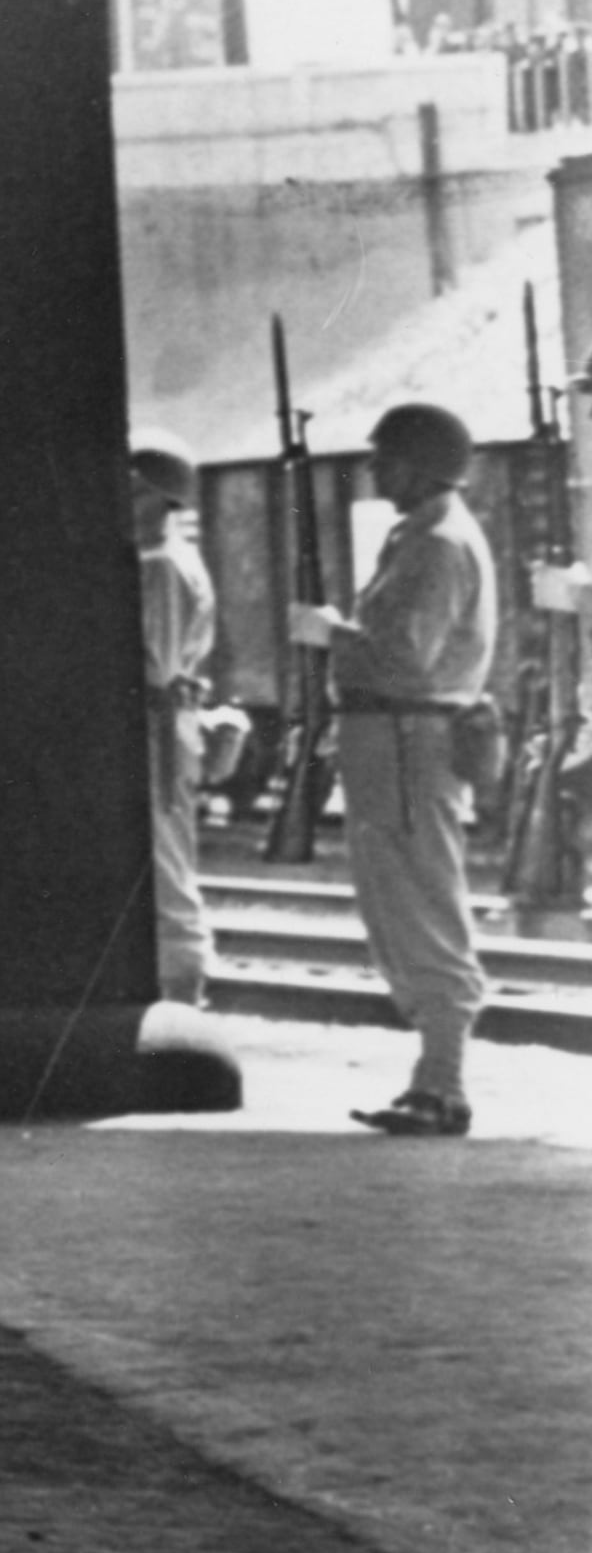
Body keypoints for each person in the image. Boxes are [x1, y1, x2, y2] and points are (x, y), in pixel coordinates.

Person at [305, 399, 500, 1135]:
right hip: (391, 740)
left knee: (422, 903)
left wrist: (331, 635)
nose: (376, 469)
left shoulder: (436, 544)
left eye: (386, 457)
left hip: (408, 739)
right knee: (400, 905)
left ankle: (443, 1082)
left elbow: (402, 656)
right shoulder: (419, 535)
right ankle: (432, 1077)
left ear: (420, 467)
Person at [131, 432, 220, 1008]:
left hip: (157, 726)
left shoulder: (163, 567)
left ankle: (185, 996)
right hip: (165, 725)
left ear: (154, 498)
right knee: (160, 859)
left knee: (165, 867)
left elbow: (155, 665)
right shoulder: (165, 560)